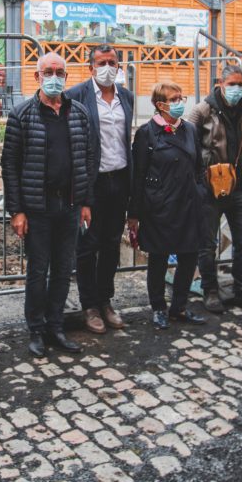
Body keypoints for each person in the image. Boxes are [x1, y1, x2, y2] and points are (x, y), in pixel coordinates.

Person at [2, 52, 97, 358]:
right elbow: (10, 166)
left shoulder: (78, 113)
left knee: (63, 269)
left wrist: (85, 202)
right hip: (37, 208)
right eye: (49, 71)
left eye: (60, 72)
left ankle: (56, 326)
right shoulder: (21, 115)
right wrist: (16, 210)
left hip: (69, 206)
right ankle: (36, 330)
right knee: (38, 270)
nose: (55, 77)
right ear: (37, 76)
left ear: (66, 77)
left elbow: (88, 159)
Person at [187, 64, 242, 314]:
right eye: (231, 84)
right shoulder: (203, 111)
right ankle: (210, 291)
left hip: (239, 188)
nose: (236, 89)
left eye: (239, 84)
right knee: (207, 244)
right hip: (210, 189)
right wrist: (200, 176)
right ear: (220, 84)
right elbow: (189, 146)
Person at [128, 82, 208, 329]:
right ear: (159, 104)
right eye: (173, 99)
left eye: (181, 97)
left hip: (188, 203)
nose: (179, 103)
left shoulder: (191, 129)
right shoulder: (147, 133)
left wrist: (200, 191)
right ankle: (159, 308)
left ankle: (179, 307)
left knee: (189, 255)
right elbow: (137, 175)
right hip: (159, 206)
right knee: (158, 257)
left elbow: (198, 168)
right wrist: (134, 215)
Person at [66, 45, 134, 334]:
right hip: (91, 182)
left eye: (113, 62)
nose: (108, 67)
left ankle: (106, 301)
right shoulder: (76, 96)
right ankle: (89, 306)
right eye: (101, 62)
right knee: (87, 246)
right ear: (90, 66)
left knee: (110, 244)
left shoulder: (126, 97)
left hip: (118, 180)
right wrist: (80, 196)